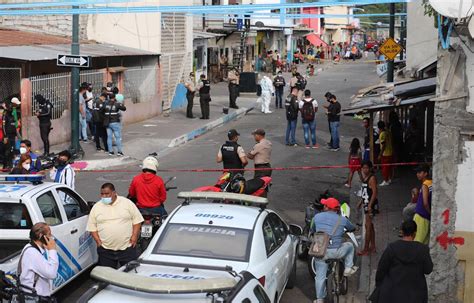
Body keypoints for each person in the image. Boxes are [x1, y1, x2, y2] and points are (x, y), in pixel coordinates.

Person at [370, 220, 433, 303]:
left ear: (402, 232)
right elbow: (428, 270)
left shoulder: (392, 248)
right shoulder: (422, 250)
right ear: (415, 233)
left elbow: (381, 270)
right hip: (415, 294)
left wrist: (379, 286)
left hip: (392, 293)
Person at [312, 197, 358, 303]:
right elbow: (351, 228)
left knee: (320, 276)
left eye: (325, 205)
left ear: (326, 207)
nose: (323, 206)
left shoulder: (317, 216)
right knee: (350, 245)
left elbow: (313, 229)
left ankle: (319, 299)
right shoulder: (342, 219)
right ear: (337, 209)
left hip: (320, 251)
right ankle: (348, 267)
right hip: (336, 252)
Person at [87, 183, 144, 269]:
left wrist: (134, 235)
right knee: (107, 276)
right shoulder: (97, 207)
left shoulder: (126, 203)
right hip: (106, 250)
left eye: (107, 194)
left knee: (130, 275)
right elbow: (92, 227)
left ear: (114, 193)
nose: (104, 197)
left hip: (127, 248)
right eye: (102, 194)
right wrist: (98, 241)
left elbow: (137, 220)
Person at [18, 222, 59, 299]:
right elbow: (52, 273)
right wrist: (52, 250)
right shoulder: (32, 253)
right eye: (49, 234)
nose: (52, 238)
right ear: (41, 236)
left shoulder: (30, 247)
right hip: (35, 297)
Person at [358, 160, 378, 256]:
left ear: (370, 168)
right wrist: (360, 202)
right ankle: (373, 246)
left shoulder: (372, 178)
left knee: (368, 226)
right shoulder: (365, 177)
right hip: (366, 203)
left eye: (366, 168)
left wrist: (370, 205)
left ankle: (366, 248)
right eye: (363, 168)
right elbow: (365, 192)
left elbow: (374, 193)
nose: (365, 170)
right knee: (370, 226)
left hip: (370, 205)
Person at [413, 165, 432, 245]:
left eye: (420, 172)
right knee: (425, 242)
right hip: (426, 217)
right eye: (417, 172)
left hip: (421, 216)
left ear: (426, 173)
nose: (417, 174)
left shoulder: (425, 185)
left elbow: (425, 203)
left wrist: (430, 213)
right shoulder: (431, 183)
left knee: (417, 241)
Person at [377, 121, 393, 186]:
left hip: (385, 153)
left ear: (379, 127)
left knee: (385, 168)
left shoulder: (382, 134)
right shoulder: (388, 132)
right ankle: (389, 179)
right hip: (390, 152)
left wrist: (380, 154)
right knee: (389, 167)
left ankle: (385, 180)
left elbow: (383, 145)